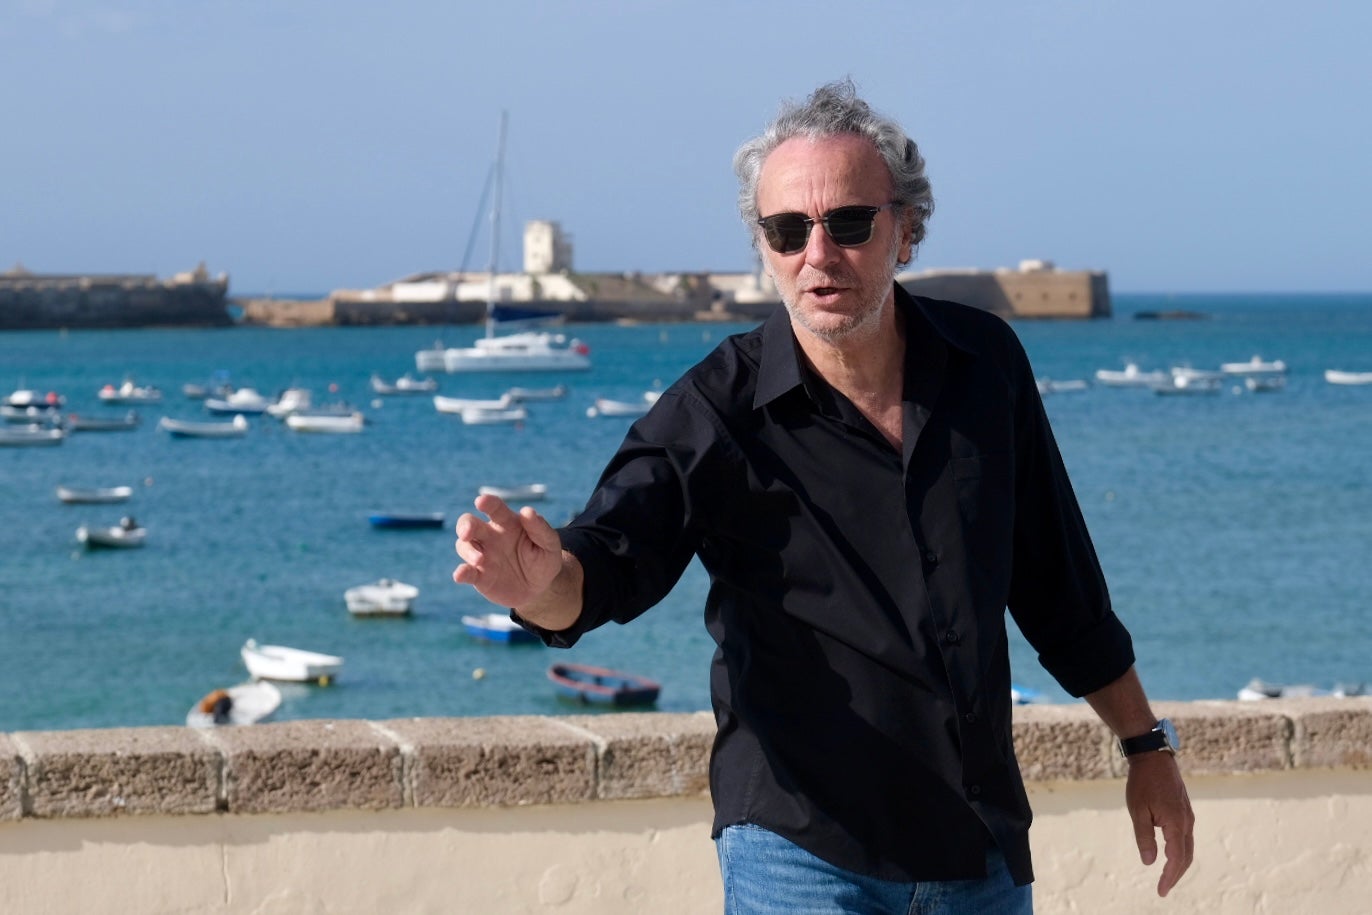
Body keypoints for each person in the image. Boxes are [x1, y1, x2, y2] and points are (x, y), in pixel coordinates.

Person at [453, 79, 1194, 912]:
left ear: (905, 231)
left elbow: (1061, 588)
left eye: (848, 222)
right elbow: (607, 563)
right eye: (787, 229)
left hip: (977, 848)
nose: (818, 252)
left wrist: (1145, 745)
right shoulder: (713, 411)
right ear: (764, 246)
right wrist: (541, 586)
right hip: (799, 850)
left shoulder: (988, 366)